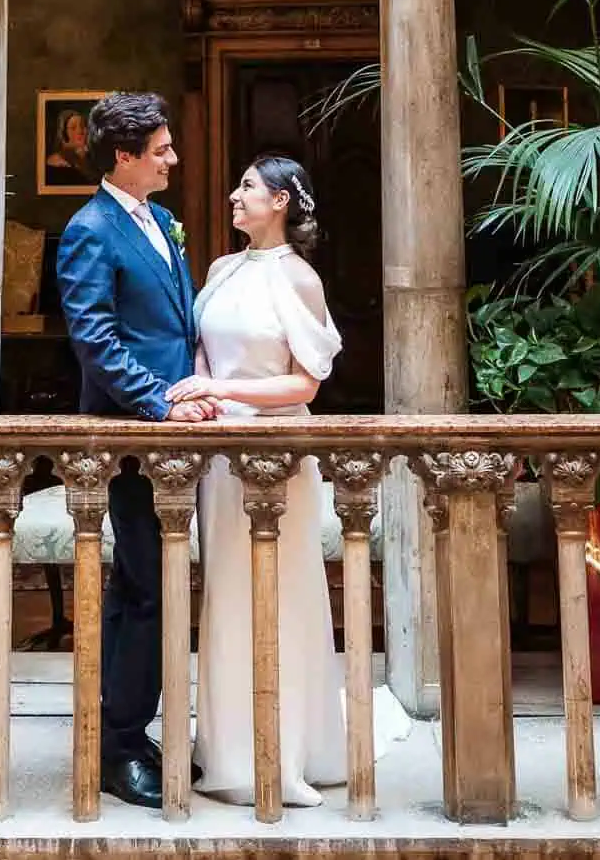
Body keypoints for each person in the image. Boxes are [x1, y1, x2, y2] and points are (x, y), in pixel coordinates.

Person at [170, 155, 410, 806]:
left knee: (283, 589)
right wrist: (200, 393)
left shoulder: (299, 278)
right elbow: (200, 349)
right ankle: (225, 747)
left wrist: (218, 387)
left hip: (279, 448)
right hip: (220, 453)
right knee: (225, 588)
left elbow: (305, 381)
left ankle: (291, 747)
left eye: (247, 185)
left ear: (280, 199)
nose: (233, 195)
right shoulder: (221, 270)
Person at [54, 92, 214, 810]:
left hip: (168, 437)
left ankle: (117, 728)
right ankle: (119, 748)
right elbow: (95, 338)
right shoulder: (89, 229)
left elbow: (175, 323)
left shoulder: (162, 222)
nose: (173, 158)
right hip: (131, 438)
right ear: (124, 156)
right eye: (162, 149)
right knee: (148, 588)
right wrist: (161, 400)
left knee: (136, 585)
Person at [45, 107, 95, 187]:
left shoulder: (87, 157)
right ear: (63, 133)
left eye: (83, 126)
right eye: (73, 128)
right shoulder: (58, 165)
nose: (80, 131)